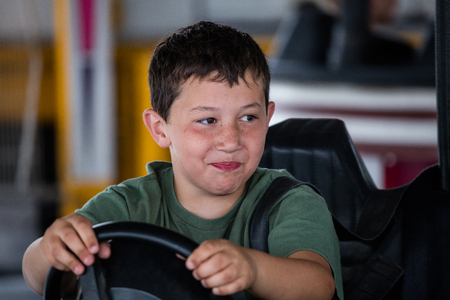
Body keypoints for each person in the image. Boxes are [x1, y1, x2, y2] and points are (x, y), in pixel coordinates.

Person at [22, 21, 343, 300]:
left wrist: (252, 269)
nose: (231, 141)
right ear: (160, 130)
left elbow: (317, 286)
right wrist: (53, 249)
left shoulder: (289, 203)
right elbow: (39, 278)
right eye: (207, 121)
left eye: (248, 117)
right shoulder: (128, 205)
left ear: (268, 117)